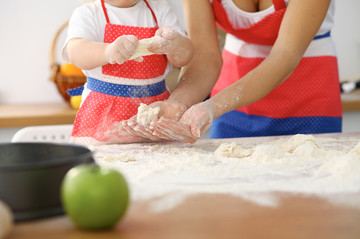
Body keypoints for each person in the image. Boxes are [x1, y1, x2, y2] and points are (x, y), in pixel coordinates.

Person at [124, 0, 342, 144]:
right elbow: (204, 54)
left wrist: (213, 106)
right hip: (232, 99)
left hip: (309, 91)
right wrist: (177, 102)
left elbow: (284, 55)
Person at [62, 0, 194, 145]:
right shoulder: (89, 13)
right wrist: (107, 51)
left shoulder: (160, 9)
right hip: (103, 117)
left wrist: (176, 44)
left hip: (156, 114)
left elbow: (184, 58)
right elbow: (75, 52)